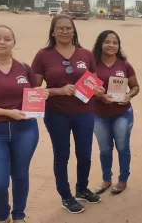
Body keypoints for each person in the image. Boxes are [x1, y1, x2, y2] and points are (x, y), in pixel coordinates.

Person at [0, 25, 48, 223]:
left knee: (20, 174)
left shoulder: (24, 68)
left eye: (7, 39)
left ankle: (19, 216)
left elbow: (33, 95)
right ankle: (3, 216)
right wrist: (7, 112)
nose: (2, 42)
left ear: (14, 43)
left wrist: (42, 96)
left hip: (25, 130)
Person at [31, 14, 105, 214]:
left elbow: (94, 81)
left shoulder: (86, 54)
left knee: (85, 154)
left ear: (74, 31)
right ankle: (65, 195)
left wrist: (98, 90)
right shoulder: (43, 55)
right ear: (53, 32)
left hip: (84, 112)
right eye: (60, 28)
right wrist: (58, 91)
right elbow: (33, 89)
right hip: (57, 113)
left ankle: (82, 189)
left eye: (68, 28)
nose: (64, 31)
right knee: (62, 154)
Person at [91, 30, 140, 195]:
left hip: (122, 113)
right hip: (98, 114)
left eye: (115, 42)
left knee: (122, 147)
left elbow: (135, 87)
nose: (111, 45)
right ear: (100, 43)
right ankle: (106, 179)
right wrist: (100, 97)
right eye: (107, 41)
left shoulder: (124, 65)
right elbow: (85, 91)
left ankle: (123, 179)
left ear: (118, 46)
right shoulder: (93, 64)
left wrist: (129, 95)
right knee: (104, 149)